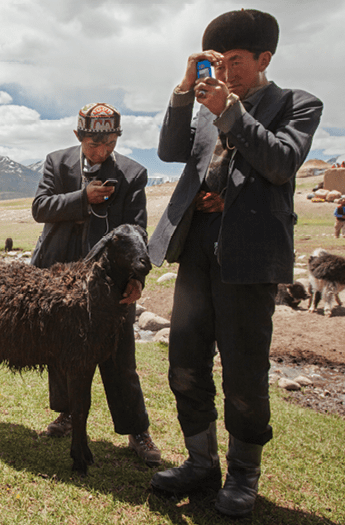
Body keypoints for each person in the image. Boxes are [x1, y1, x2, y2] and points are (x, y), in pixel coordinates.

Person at [147, 9, 322, 517]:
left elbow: (280, 161)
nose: (224, 73)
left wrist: (229, 112)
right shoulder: (206, 103)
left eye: (237, 62)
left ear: (265, 59)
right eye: (217, 63)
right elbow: (170, 150)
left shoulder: (297, 104)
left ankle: (244, 476)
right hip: (197, 251)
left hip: (248, 260)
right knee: (184, 364)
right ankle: (201, 463)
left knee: (244, 374)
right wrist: (185, 92)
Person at [30, 102, 162, 468]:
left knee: (120, 356)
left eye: (109, 144)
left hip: (110, 284)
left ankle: (136, 429)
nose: (101, 152)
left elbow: (137, 230)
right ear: (78, 136)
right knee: (60, 348)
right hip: (58, 276)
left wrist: (136, 278)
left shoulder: (133, 174)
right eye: (93, 144)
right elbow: (40, 207)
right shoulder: (58, 163)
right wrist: (82, 199)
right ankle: (67, 413)